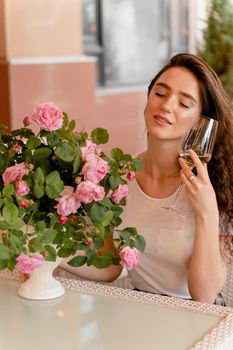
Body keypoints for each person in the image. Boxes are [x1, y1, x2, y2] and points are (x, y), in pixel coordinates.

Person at [60, 53, 233, 304]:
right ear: (148, 99)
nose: (166, 106)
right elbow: (110, 266)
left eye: (184, 104)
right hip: (142, 308)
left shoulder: (212, 186)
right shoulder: (117, 178)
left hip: (198, 318)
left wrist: (207, 212)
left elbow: (204, 295)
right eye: (160, 94)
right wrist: (48, 255)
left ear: (199, 123)